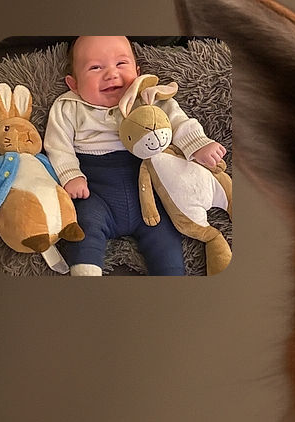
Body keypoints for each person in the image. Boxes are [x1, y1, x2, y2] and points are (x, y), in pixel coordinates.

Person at [43, 35, 227, 276]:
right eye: (95, 68)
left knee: (164, 235)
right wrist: (70, 176)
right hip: (95, 192)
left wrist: (198, 145)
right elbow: (58, 145)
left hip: (147, 192)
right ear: (74, 83)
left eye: (121, 64)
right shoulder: (68, 106)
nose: (111, 74)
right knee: (84, 227)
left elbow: (177, 121)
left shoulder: (148, 97)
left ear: (138, 71)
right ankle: (85, 275)